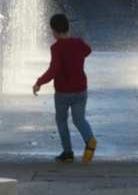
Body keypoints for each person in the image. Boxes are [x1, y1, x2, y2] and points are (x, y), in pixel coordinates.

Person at [33, 14, 97, 163]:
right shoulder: (78, 42)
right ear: (68, 28)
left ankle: (67, 153)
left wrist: (39, 82)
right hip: (81, 89)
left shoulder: (56, 48)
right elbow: (88, 50)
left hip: (63, 92)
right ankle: (90, 139)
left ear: (54, 31)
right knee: (79, 119)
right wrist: (77, 57)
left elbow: (53, 70)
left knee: (61, 121)